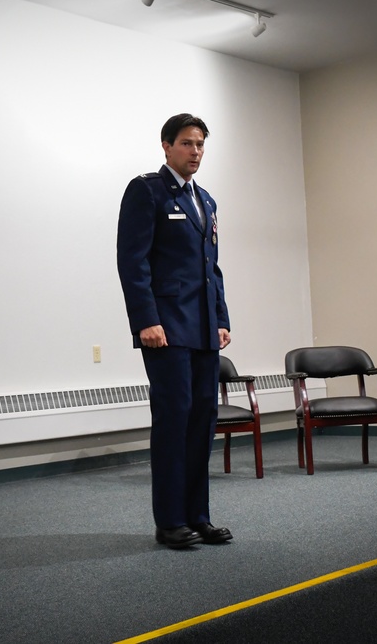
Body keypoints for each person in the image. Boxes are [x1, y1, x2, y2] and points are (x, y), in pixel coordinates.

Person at [117, 114, 233, 549]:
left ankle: (197, 516)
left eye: (201, 144)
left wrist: (221, 318)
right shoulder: (146, 190)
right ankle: (169, 521)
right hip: (165, 328)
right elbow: (133, 261)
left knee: (203, 422)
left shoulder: (206, 201)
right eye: (187, 143)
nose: (196, 151)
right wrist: (145, 319)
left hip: (202, 328)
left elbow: (211, 268)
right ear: (166, 146)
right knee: (173, 421)